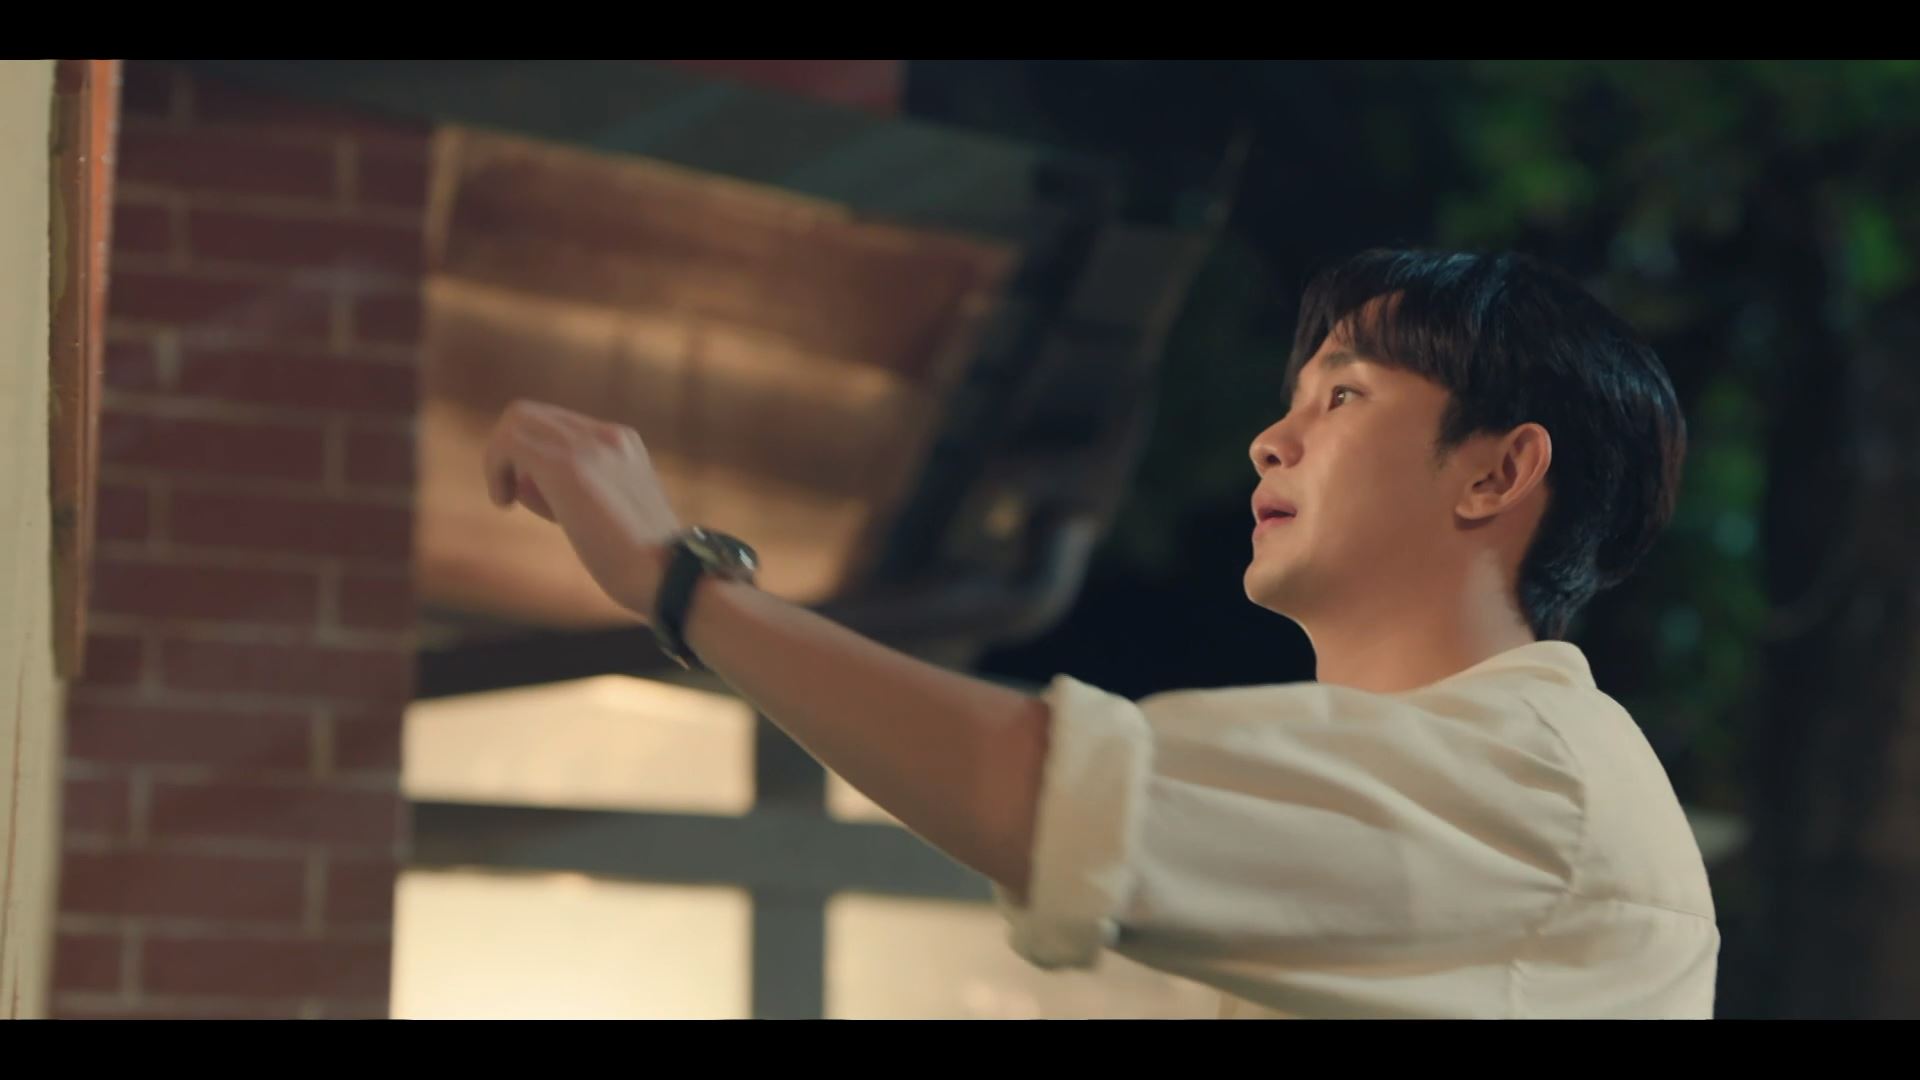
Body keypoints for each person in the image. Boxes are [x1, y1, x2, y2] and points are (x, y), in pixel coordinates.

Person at [481, 248, 1718, 1019]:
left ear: (1496, 474)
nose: (1272, 441)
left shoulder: (1539, 782)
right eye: (1290, 402)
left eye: (1344, 395)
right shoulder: (1453, 775)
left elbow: (1044, 793)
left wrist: (677, 582)